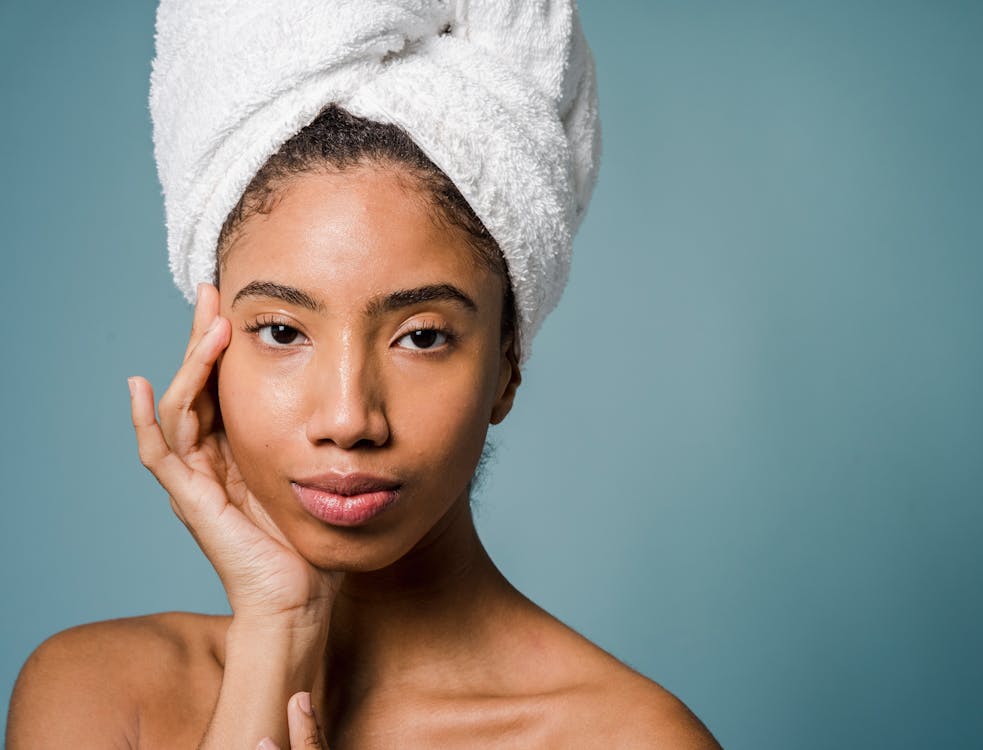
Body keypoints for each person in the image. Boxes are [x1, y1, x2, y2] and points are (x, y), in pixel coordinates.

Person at [6, 3, 722, 748]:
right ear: (211, 352)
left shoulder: (629, 738)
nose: (348, 418)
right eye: (282, 331)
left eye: (420, 337)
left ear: (508, 365)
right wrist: (277, 626)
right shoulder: (98, 695)